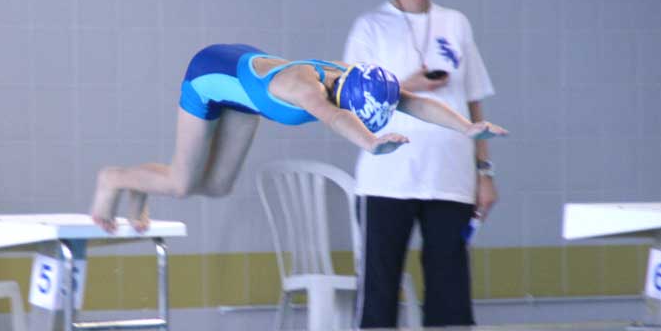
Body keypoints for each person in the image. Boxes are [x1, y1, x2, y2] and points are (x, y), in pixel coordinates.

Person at [91, 43, 506, 233]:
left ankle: (139, 188)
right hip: (208, 77)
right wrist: (370, 143)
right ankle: (113, 180)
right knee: (182, 183)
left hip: (245, 93)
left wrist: (466, 128)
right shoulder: (306, 89)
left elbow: (411, 101)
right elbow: (333, 117)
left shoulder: (354, 76)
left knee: (216, 186)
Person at [343, 0, 498, 328]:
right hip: (387, 178)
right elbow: (351, 102)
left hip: (450, 176)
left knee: (451, 293)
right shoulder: (370, 27)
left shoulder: (456, 23)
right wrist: (404, 84)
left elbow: (473, 101)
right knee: (379, 292)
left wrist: (484, 173)